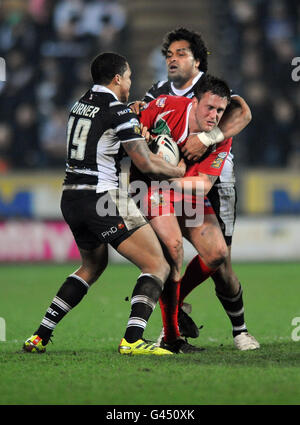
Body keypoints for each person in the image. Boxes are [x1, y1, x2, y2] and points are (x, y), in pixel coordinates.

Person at [23, 52, 186, 356]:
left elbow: (102, 146)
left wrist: (135, 134)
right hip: (103, 197)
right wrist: (176, 170)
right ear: (116, 79)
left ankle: (40, 335)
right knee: (157, 265)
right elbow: (146, 163)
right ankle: (133, 339)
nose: (130, 83)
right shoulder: (117, 110)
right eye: (128, 77)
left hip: (71, 198)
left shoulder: (79, 105)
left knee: (92, 266)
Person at [132, 27, 259, 351]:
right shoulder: (159, 94)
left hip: (211, 183)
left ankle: (236, 329)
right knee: (172, 252)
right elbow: (136, 123)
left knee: (220, 261)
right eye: (169, 55)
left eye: (181, 54)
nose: (172, 59)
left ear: (198, 60)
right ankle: (172, 329)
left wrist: (207, 136)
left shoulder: (211, 90)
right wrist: (137, 126)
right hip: (164, 188)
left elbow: (243, 112)